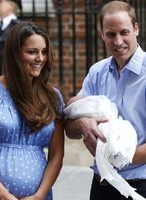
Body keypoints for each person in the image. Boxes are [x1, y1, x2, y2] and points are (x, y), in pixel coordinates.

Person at [0, 21, 64, 200]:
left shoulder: (53, 97)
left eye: (44, 52)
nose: (40, 58)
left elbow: (57, 155)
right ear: (15, 55)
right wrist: (3, 195)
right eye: (32, 52)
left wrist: (39, 195)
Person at [65, 1, 146, 199]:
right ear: (102, 35)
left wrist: (116, 156)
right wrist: (83, 124)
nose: (118, 41)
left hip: (141, 186)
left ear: (136, 29)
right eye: (110, 34)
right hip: (102, 185)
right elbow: (69, 127)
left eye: (124, 32)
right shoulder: (97, 72)